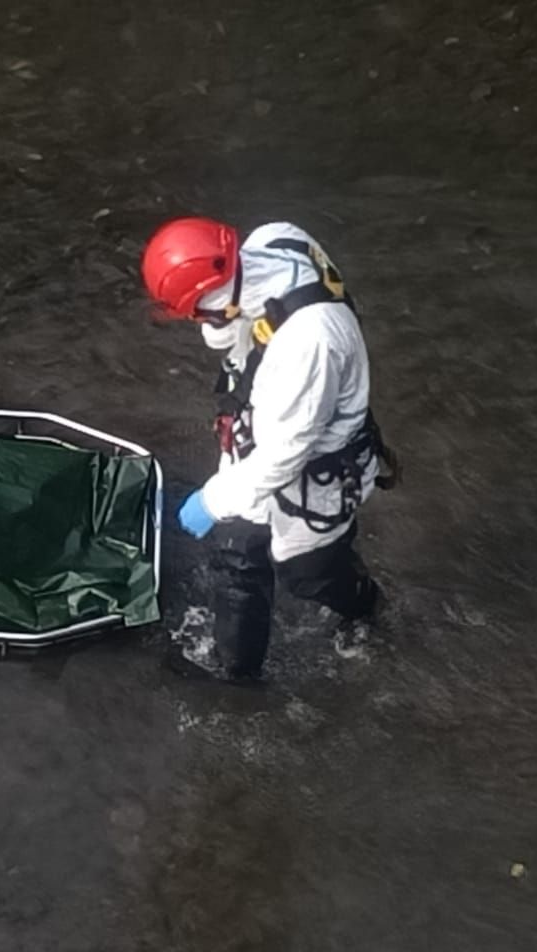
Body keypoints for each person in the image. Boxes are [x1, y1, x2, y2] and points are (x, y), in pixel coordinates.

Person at [141, 217, 394, 680]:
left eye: (194, 311)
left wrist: (211, 501)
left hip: (314, 462)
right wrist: (219, 320)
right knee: (236, 553)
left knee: (309, 571)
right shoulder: (275, 238)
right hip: (265, 419)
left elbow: (285, 455)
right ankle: (236, 676)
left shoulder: (309, 343)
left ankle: (365, 606)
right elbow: (241, 332)